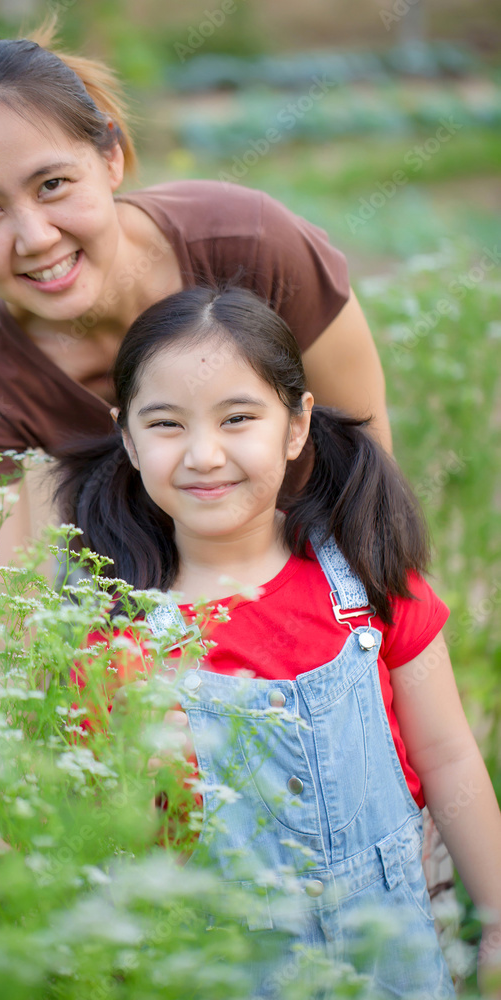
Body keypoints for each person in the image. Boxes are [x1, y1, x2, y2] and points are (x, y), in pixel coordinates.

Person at [54, 285, 501, 998]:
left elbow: (448, 758)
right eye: (166, 425)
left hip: (397, 962)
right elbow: (115, 849)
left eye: (238, 418)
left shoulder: (370, 583)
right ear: (128, 439)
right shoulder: (114, 641)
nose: (203, 454)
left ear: (296, 426)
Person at [0, 16, 390, 574]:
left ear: (111, 158)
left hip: (318, 578)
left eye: (53, 184)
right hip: (146, 617)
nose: (36, 238)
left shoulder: (250, 244)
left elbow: (369, 491)